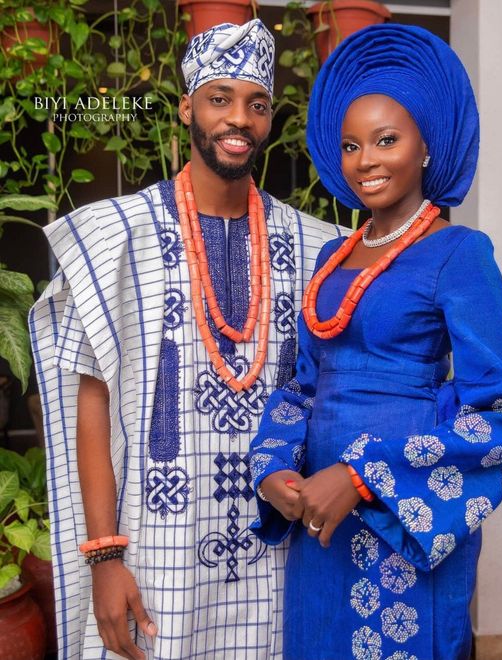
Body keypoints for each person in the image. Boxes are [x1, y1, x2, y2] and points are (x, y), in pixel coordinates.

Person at [30, 19, 347, 660]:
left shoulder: (318, 246)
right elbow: (90, 404)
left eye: (256, 104)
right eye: (220, 98)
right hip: (156, 556)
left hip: (278, 553)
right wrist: (104, 558)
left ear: (270, 120)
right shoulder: (118, 236)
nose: (239, 119)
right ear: (187, 108)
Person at [249, 23, 502, 660]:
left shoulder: (458, 254)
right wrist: (273, 469)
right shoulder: (333, 258)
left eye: (386, 140)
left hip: (399, 523)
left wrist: (362, 477)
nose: (366, 160)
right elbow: (302, 388)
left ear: (426, 148)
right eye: (351, 145)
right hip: (316, 524)